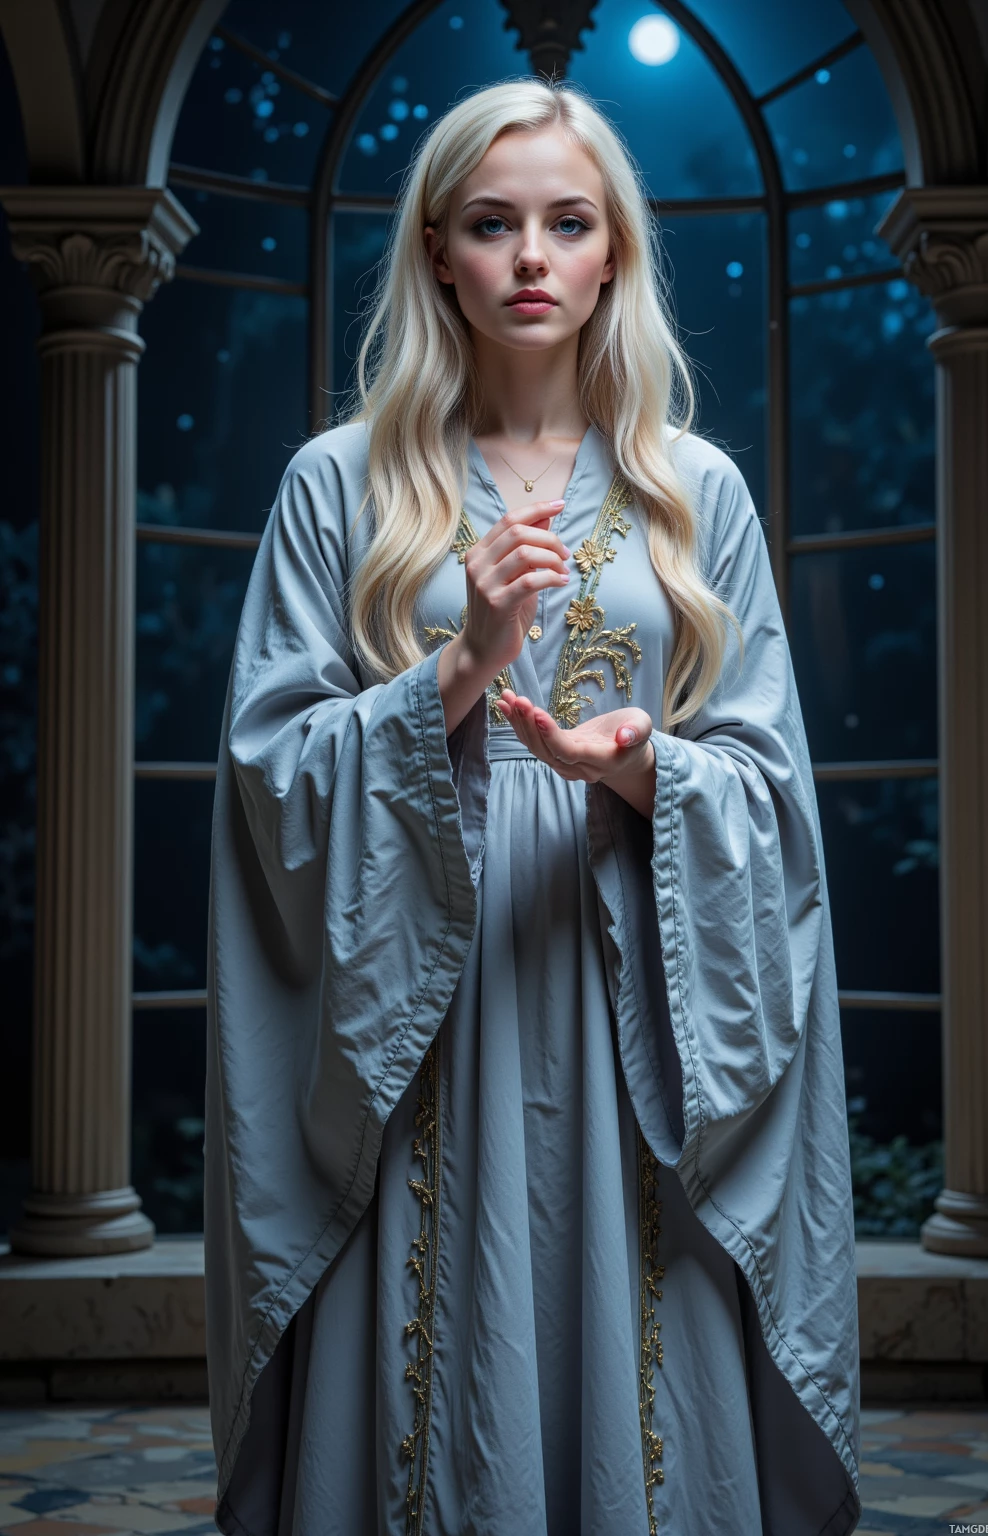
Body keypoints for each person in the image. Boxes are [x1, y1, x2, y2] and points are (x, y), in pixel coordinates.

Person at [204, 76, 862, 1536]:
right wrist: (460, 666)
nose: (530, 258)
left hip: (631, 982)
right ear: (438, 251)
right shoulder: (339, 486)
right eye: (492, 224)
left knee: (628, 1331)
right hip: (419, 1005)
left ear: (615, 251)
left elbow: (770, 793)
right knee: (448, 1335)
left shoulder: (696, 493)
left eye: (568, 223)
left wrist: (638, 768)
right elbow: (270, 774)